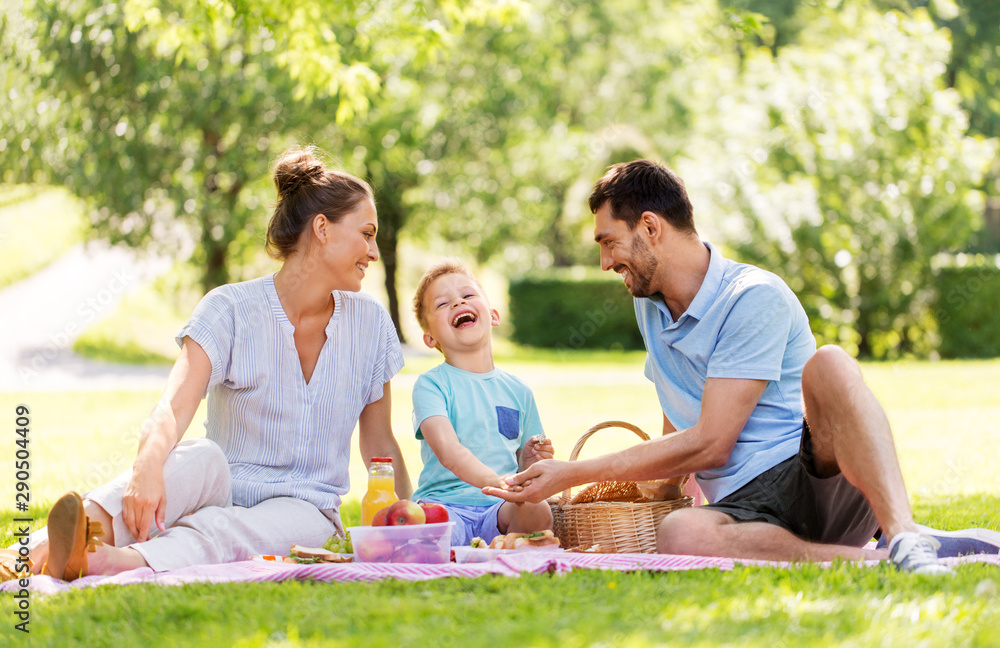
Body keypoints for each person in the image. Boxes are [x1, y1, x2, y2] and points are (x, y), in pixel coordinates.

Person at [485, 159, 1000, 573]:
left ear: (650, 227)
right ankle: (888, 559)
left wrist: (573, 472)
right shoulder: (649, 304)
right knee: (679, 533)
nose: (605, 262)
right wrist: (661, 491)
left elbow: (713, 441)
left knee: (829, 364)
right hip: (745, 510)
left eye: (608, 242)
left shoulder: (753, 297)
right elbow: (677, 413)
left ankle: (903, 534)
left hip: (810, 478)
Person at [10, 146, 412, 582]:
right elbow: (174, 407)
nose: (374, 252)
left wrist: (410, 523)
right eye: (366, 234)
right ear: (322, 229)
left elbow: (380, 447)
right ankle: (39, 550)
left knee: (230, 529)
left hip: (305, 510)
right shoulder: (229, 309)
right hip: (220, 488)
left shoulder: (371, 325)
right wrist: (146, 467)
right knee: (199, 456)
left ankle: (109, 561)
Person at [409, 260, 554, 546]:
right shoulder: (431, 385)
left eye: (468, 295)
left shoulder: (519, 391)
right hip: (444, 508)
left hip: (499, 509)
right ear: (430, 338)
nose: (458, 302)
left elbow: (526, 472)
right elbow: (449, 452)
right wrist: (500, 483)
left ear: (494, 315)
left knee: (538, 510)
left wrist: (527, 464)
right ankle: (460, 551)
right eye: (442, 303)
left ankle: (504, 548)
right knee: (425, 525)